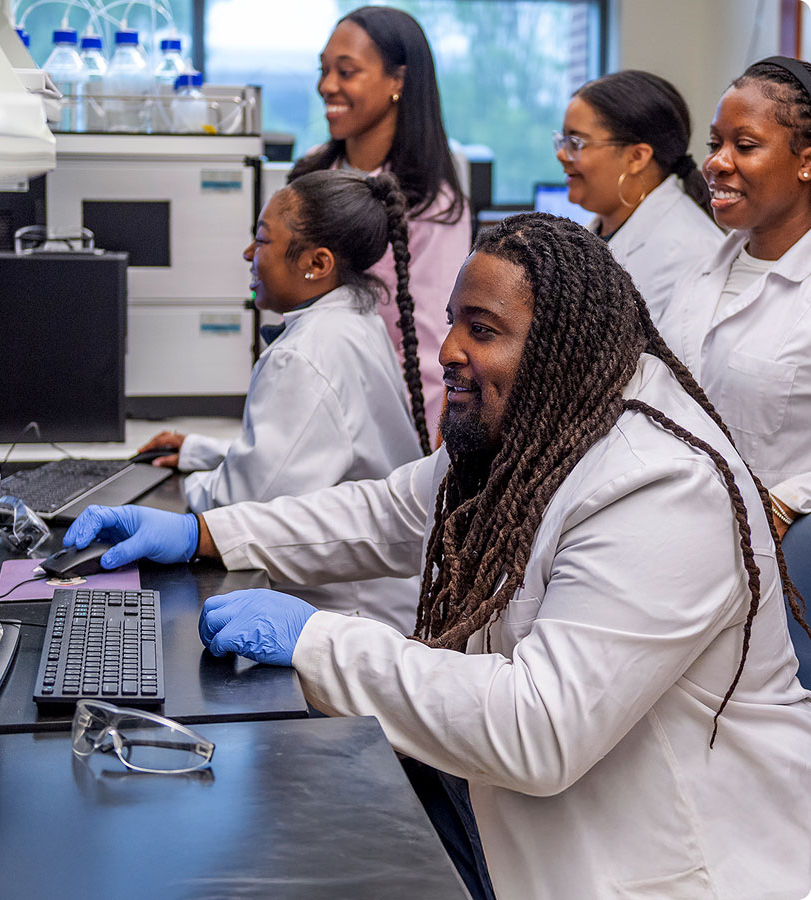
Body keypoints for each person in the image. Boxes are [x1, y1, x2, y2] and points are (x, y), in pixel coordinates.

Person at [67, 214, 811, 899]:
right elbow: (383, 510)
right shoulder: (538, 427)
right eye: (454, 321)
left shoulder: (659, 486)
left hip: (645, 864)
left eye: (480, 329)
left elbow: (539, 729)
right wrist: (206, 533)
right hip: (508, 813)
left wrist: (316, 638)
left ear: (560, 348)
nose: (449, 350)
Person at [89, 170, 428, 633]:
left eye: (262, 240)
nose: (249, 254)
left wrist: (177, 501)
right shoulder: (353, 319)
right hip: (390, 594)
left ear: (317, 262)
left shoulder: (305, 354)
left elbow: (246, 504)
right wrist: (203, 451)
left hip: (351, 615)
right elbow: (320, 453)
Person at [289, 5, 471, 437]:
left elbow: (431, 347)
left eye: (346, 72)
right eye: (324, 69)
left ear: (398, 81)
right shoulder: (308, 177)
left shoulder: (430, 203)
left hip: (383, 428)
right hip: (299, 400)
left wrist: (428, 462)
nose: (326, 86)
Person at [658, 56, 811, 540]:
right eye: (715, 144)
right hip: (671, 527)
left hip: (772, 559)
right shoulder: (701, 272)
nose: (716, 163)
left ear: (806, 161)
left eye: (744, 146)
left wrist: (790, 501)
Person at [555, 69, 723, 320]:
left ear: (637, 157)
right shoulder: (597, 230)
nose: (561, 154)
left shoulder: (693, 253)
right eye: (562, 141)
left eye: (576, 143)